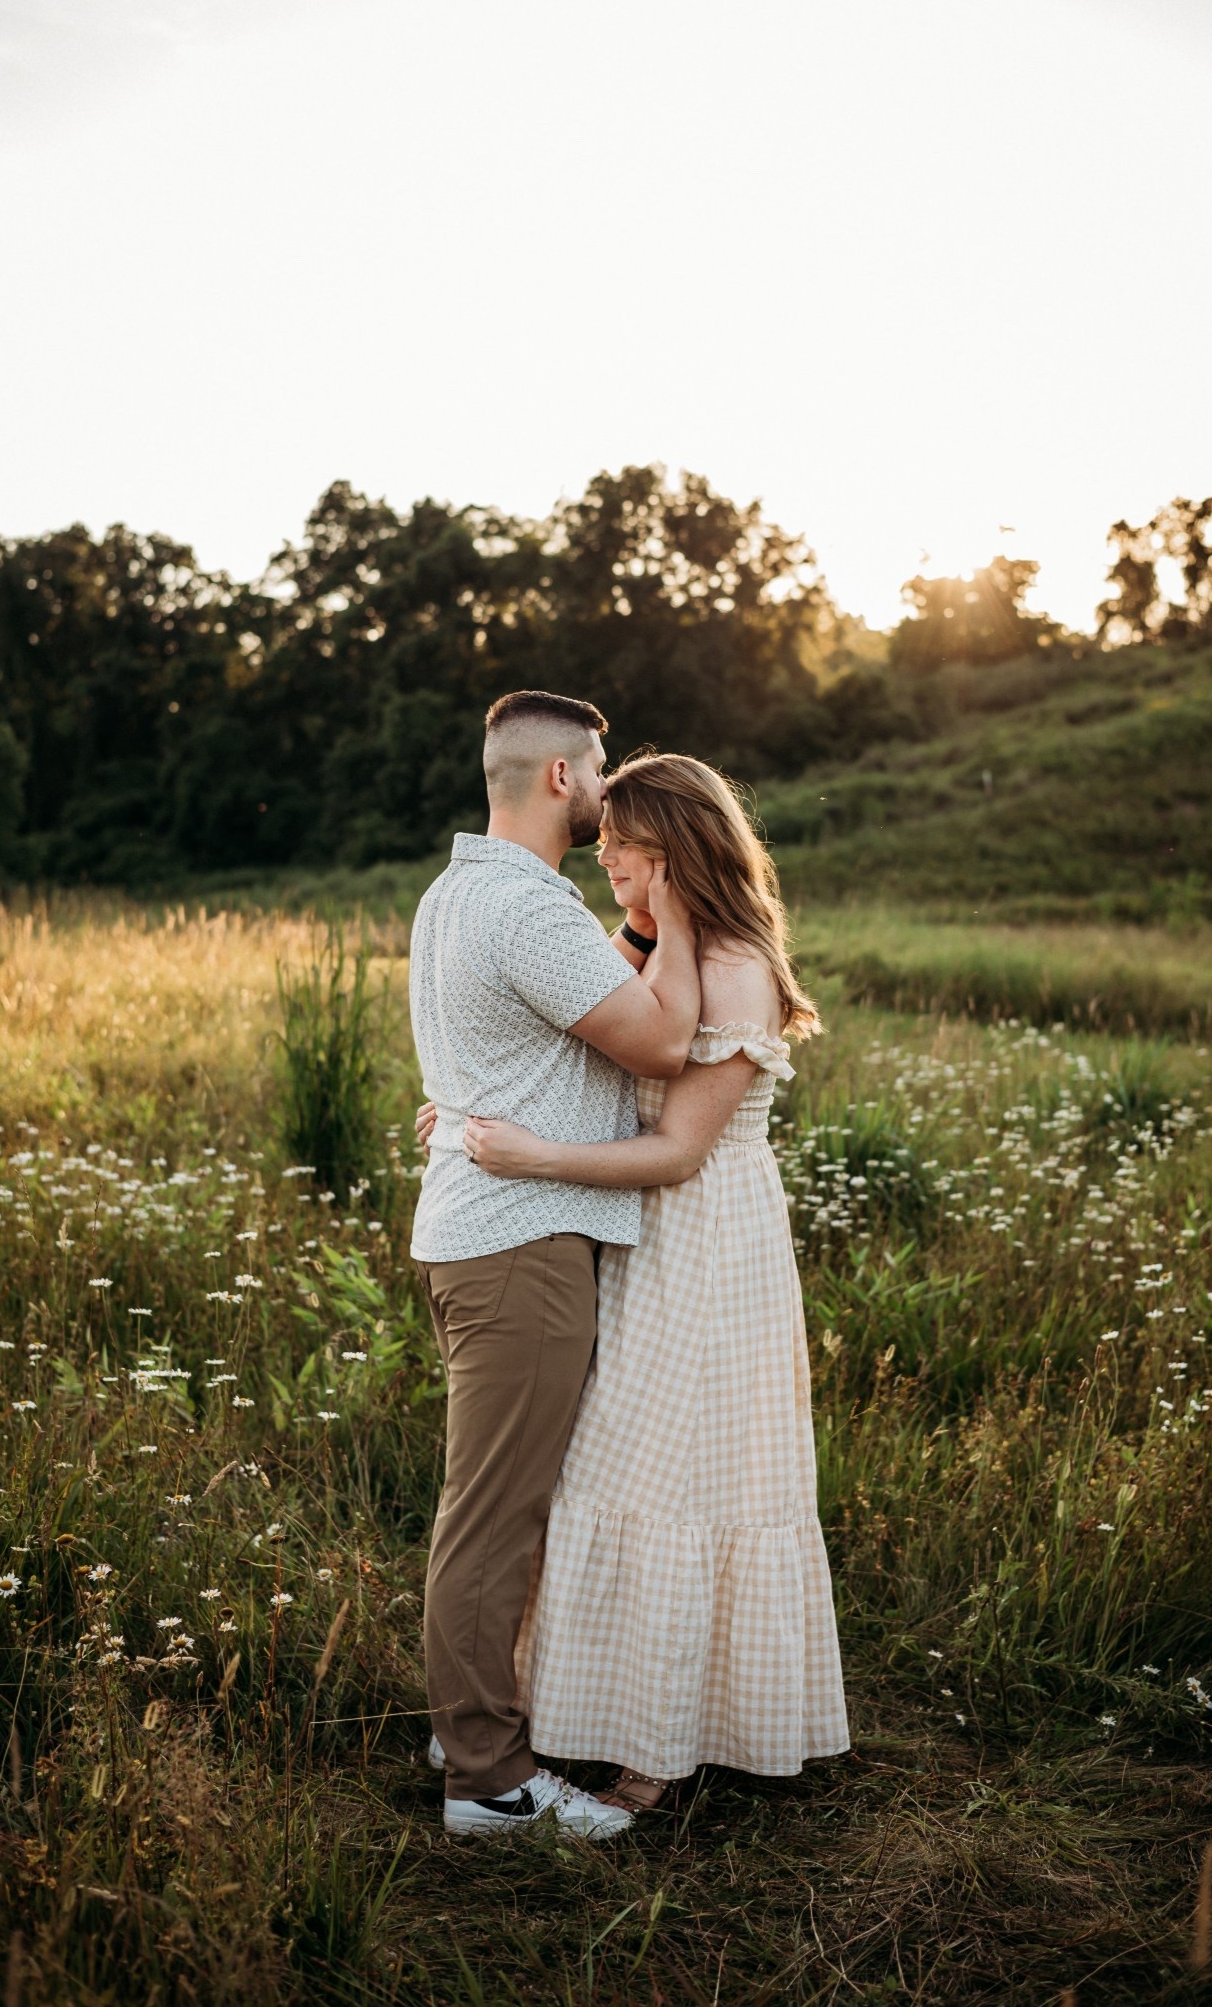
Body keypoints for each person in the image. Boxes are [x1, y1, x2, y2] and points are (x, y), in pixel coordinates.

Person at [448, 753, 849, 1813]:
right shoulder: (659, 946)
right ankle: (587, 1709)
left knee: (678, 1483)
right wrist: (472, 1117)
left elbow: (677, 1150)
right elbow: (588, 1064)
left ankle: (662, 1750)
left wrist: (529, 1156)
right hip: (635, 1240)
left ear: (678, 849)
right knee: (605, 1473)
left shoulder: (736, 964)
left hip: (706, 1246)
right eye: (609, 839)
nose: (607, 855)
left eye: (626, 842)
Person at [408, 690, 701, 1840]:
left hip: (482, 1228)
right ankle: (488, 1779)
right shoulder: (529, 909)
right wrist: (678, 900)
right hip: (520, 1240)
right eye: (600, 765)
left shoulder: (455, 892)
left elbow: (536, 1023)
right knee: (494, 1514)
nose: (609, 781)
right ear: (561, 780)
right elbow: (662, 1040)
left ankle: (463, 1720)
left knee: (487, 1503)